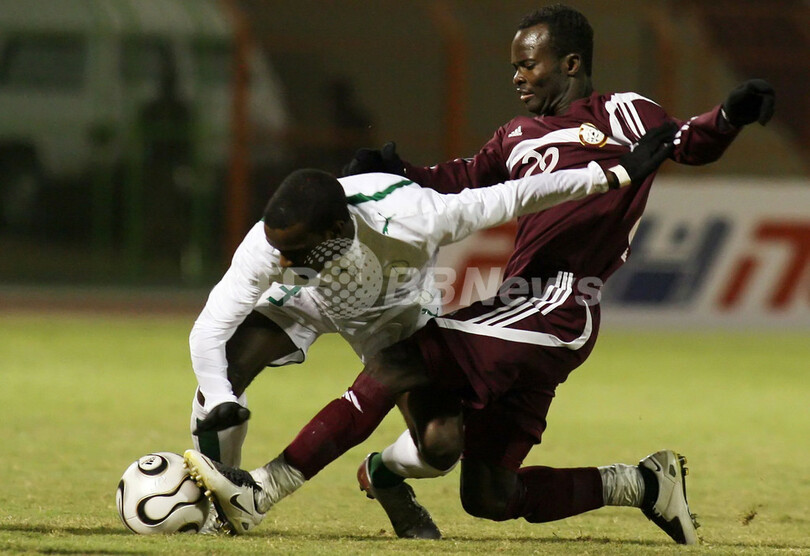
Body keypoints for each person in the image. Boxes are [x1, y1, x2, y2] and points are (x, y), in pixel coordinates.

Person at [184, 3, 774, 545]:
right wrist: (399, 170)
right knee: (488, 494)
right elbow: (461, 181)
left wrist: (727, 117)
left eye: (528, 64)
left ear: (569, 64)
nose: (516, 76)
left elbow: (686, 142)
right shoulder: (515, 137)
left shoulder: (623, 114)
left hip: (561, 301)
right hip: (519, 302)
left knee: (396, 363)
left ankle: (263, 489)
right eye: (513, 65)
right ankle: (643, 483)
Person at [187, 119, 670, 472]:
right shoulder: (270, 245)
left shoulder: (415, 213)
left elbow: (519, 194)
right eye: (279, 251)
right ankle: (220, 490)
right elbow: (209, 326)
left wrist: (614, 175)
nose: (283, 261)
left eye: (296, 251)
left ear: (340, 228)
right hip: (306, 303)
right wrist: (220, 396)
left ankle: (385, 474)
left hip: (394, 316)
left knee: (441, 448)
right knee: (226, 366)